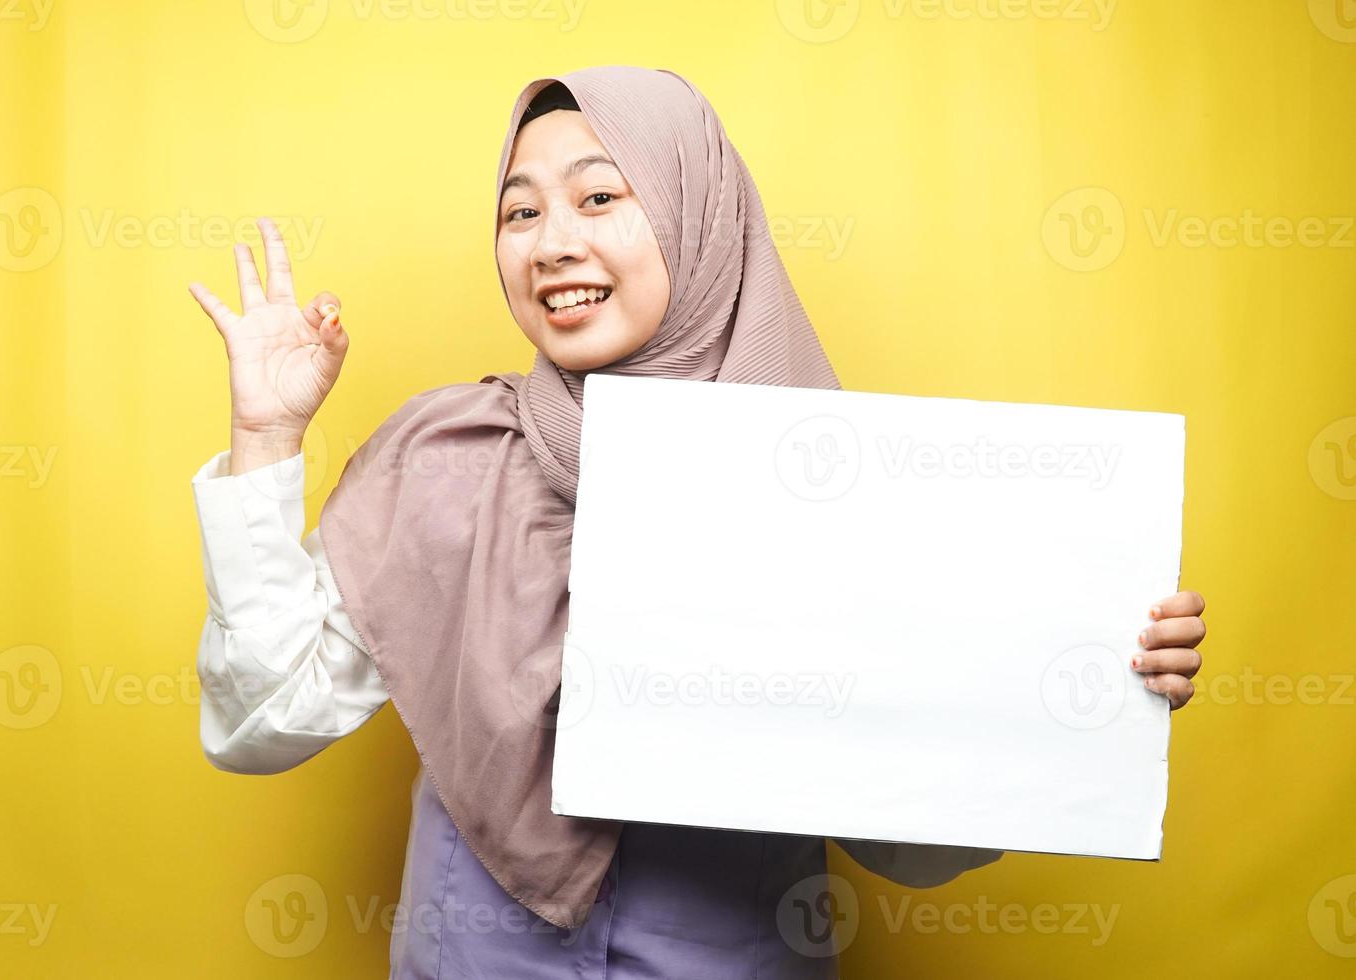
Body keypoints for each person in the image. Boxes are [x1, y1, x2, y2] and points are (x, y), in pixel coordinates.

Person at [187, 66, 1208, 978]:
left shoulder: (840, 480)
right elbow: (260, 721)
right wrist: (266, 436)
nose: (554, 244)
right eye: (520, 211)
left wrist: (1086, 678)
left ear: (697, 211)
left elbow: (924, 846)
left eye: (600, 196)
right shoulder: (447, 456)